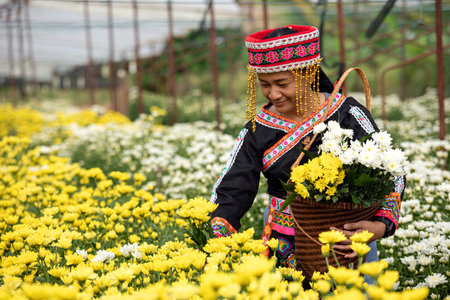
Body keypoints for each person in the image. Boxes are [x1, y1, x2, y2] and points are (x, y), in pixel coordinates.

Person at [209, 25, 404, 272]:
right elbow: (232, 190)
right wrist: (217, 238)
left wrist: (378, 226)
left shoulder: (347, 114)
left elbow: (392, 172)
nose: (273, 94)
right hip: (285, 243)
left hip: (349, 241)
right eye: (265, 84)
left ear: (309, 74)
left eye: (281, 83)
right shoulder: (257, 130)